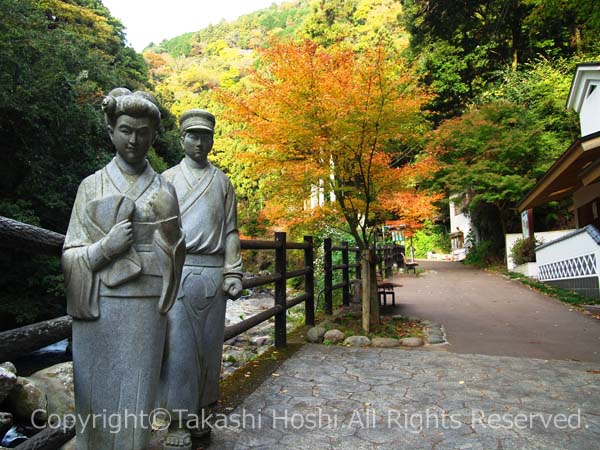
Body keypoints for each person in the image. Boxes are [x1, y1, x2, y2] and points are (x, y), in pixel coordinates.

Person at [62, 88, 186, 450]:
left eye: (143, 132)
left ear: (153, 135)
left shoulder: (164, 187)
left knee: (137, 390)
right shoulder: (91, 185)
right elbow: (71, 252)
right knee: (95, 391)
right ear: (111, 130)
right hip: (100, 301)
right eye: (126, 130)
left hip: (146, 305)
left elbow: (178, 252)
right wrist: (105, 248)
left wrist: (171, 230)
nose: (134, 139)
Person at [159, 109, 243, 447]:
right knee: (178, 349)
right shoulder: (166, 180)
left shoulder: (222, 182)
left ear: (211, 140)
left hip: (212, 273)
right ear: (181, 139)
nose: (199, 142)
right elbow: (157, 233)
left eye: (204, 136)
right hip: (177, 271)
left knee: (209, 350)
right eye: (193, 135)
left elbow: (230, 231)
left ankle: (199, 414)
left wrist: (233, 271)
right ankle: (177, 421)